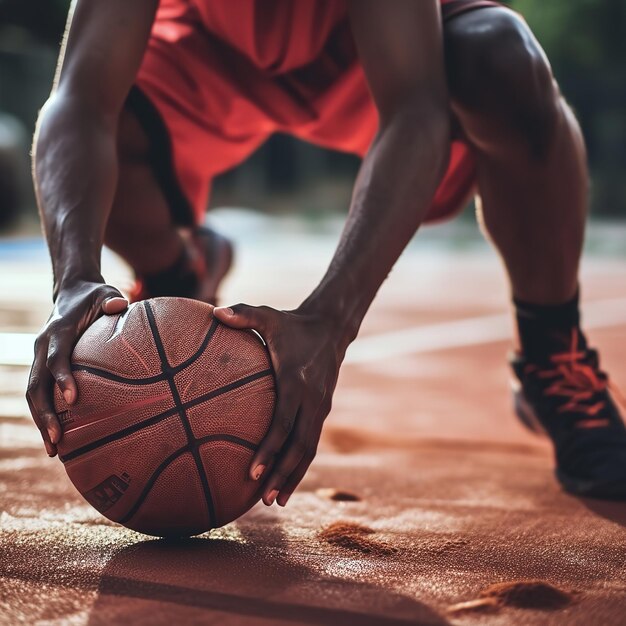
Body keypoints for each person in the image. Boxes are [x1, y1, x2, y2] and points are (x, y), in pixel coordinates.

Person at [28, 0, 626, 508]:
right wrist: (73, 277)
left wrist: (329, 321)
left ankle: (554, 355)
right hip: (214, 49)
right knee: (114, 112)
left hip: (375, 47)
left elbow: (416, 107)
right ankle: (177, 272)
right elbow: (79, 99)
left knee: (498, 56)